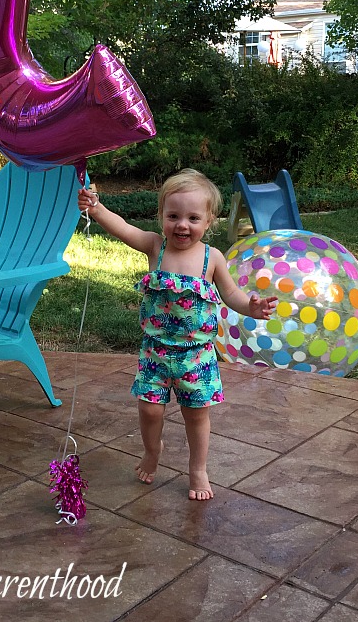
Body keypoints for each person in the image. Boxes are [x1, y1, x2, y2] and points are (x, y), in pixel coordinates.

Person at [78, 169, 277, 501]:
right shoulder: (155, 247)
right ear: (161, 217)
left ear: (209, 220)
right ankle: (152, 451)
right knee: (149, 409)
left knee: (196, 414)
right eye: (173, 216)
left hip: (196, 356)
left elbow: (231, 294)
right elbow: (124, 228)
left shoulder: (211, 258)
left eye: (193, 218)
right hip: (155, 351)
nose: (182, 225)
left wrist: (251, 307)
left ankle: (198, 468)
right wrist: (96, 209)